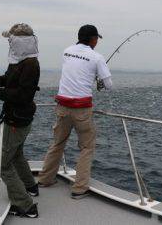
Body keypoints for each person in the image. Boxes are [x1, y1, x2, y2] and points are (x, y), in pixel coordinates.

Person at [37, 24, 112, 199]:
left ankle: (45, 179)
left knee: (57, 143)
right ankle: (79, 188)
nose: (97, 42)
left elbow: (76, 71)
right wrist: (98, 79)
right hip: (82, 110)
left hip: (62, 107)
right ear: (93, 39)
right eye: (96, 39)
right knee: (87, 147)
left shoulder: (67, 51)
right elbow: (108, 85)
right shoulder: (97, 57)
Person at [0, 23, 40, 218]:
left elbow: (22, 95)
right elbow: (12, 82)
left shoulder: (31, 65)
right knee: (17, 154)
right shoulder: (19, 61)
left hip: (17, 120)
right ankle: (30, 186)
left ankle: (26, 206)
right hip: (17, 118)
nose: (9, 43)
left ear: (21, 42)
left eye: (11, 40)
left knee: (1, 164)